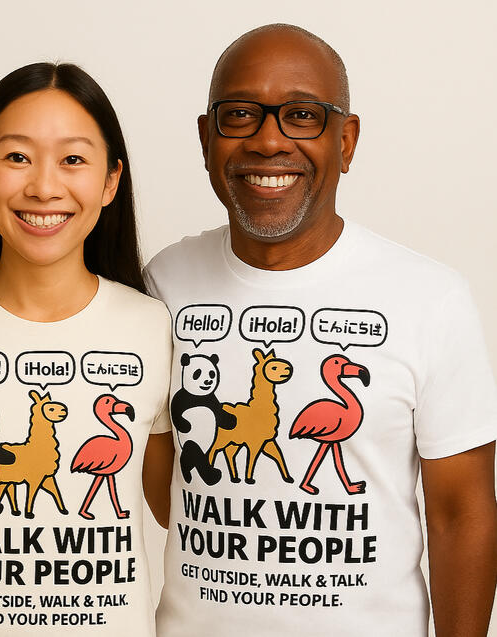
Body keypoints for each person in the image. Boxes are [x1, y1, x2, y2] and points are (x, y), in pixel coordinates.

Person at [145, 23, 497, 637]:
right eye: (240, 115)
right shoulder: (164, 282)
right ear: (206, 138)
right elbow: (165, 483)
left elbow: (462, 514)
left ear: (346, 140)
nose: (268, 140)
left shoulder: (430, 298)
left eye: (302, 115)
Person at [0, 62, 172, 636]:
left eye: (73, 159)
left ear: (111, 181)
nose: (44, 187)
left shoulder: (154, 327)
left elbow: (176, 512)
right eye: (17, 157)